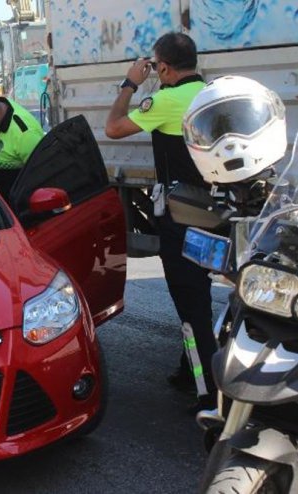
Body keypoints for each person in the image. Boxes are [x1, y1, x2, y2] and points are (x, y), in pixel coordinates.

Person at [105, 32, 216, 412]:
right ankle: (192, 370)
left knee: (191, 308)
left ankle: (210, 396)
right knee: (202, 297)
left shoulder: (166, 100)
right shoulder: (209, 93)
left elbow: (113, 127)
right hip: (214, 212)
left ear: (164, 67)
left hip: (180, 214)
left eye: (156, 66)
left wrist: (131, 83)